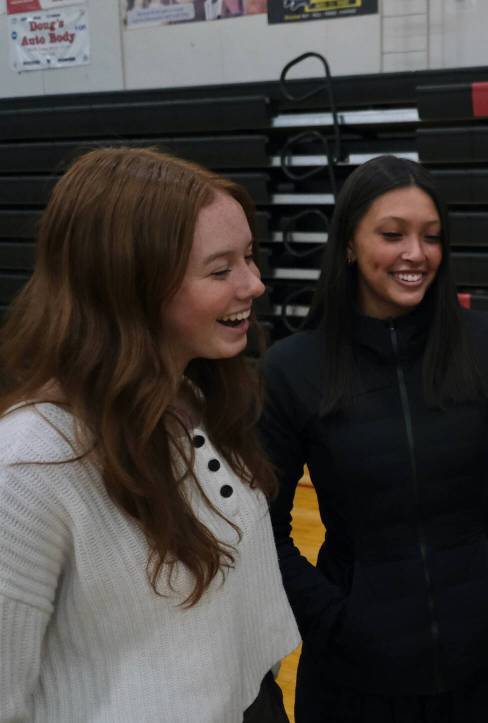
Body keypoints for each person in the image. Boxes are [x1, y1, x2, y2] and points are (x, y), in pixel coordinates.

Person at [0, 147, 300, 722]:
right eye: (221, 270)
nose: (254, 284)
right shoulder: (29, 467)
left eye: (249, 258)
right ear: (129, 288)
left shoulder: (198, 400)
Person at [260, 155, 488, 722]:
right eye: (392, 235)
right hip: (354, 672)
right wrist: (331, 618)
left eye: (431, 237)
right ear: (349, 243)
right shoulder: (291, 368)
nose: (415, 254)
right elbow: (261, 528)